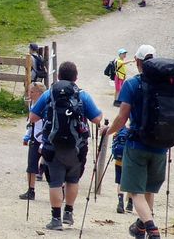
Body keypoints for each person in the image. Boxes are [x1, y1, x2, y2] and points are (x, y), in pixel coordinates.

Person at [29, 61, 103, 231]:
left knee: (55, 182)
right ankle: (68, 213)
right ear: (76, 77)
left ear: (58, 76)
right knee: (72, 180)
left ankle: (55, 219)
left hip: (52, 145)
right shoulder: (83, 96)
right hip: (76, 147)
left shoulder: (49, 94)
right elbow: (97, 119)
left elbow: (33, 117)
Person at [107, 45, 166, 239]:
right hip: (160, 145)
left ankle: (151, 229)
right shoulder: (167, 84)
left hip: (137, 145)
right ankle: (140, 228)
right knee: (149, 190)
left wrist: (109, 131)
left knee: (135, 192)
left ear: (137, 61)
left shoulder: (132, 84)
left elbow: (122, 117)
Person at [20, 82, 47, 201]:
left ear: (39, 93)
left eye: (32, 92)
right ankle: (31, 190)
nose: (29, 94)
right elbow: (30, 122)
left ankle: (58, 188)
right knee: (31, 164)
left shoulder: (47, 104)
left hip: (46, 137)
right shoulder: (32, 104)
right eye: (29, 91)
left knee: (51, 164)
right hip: (34, 136)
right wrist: (27, 136)